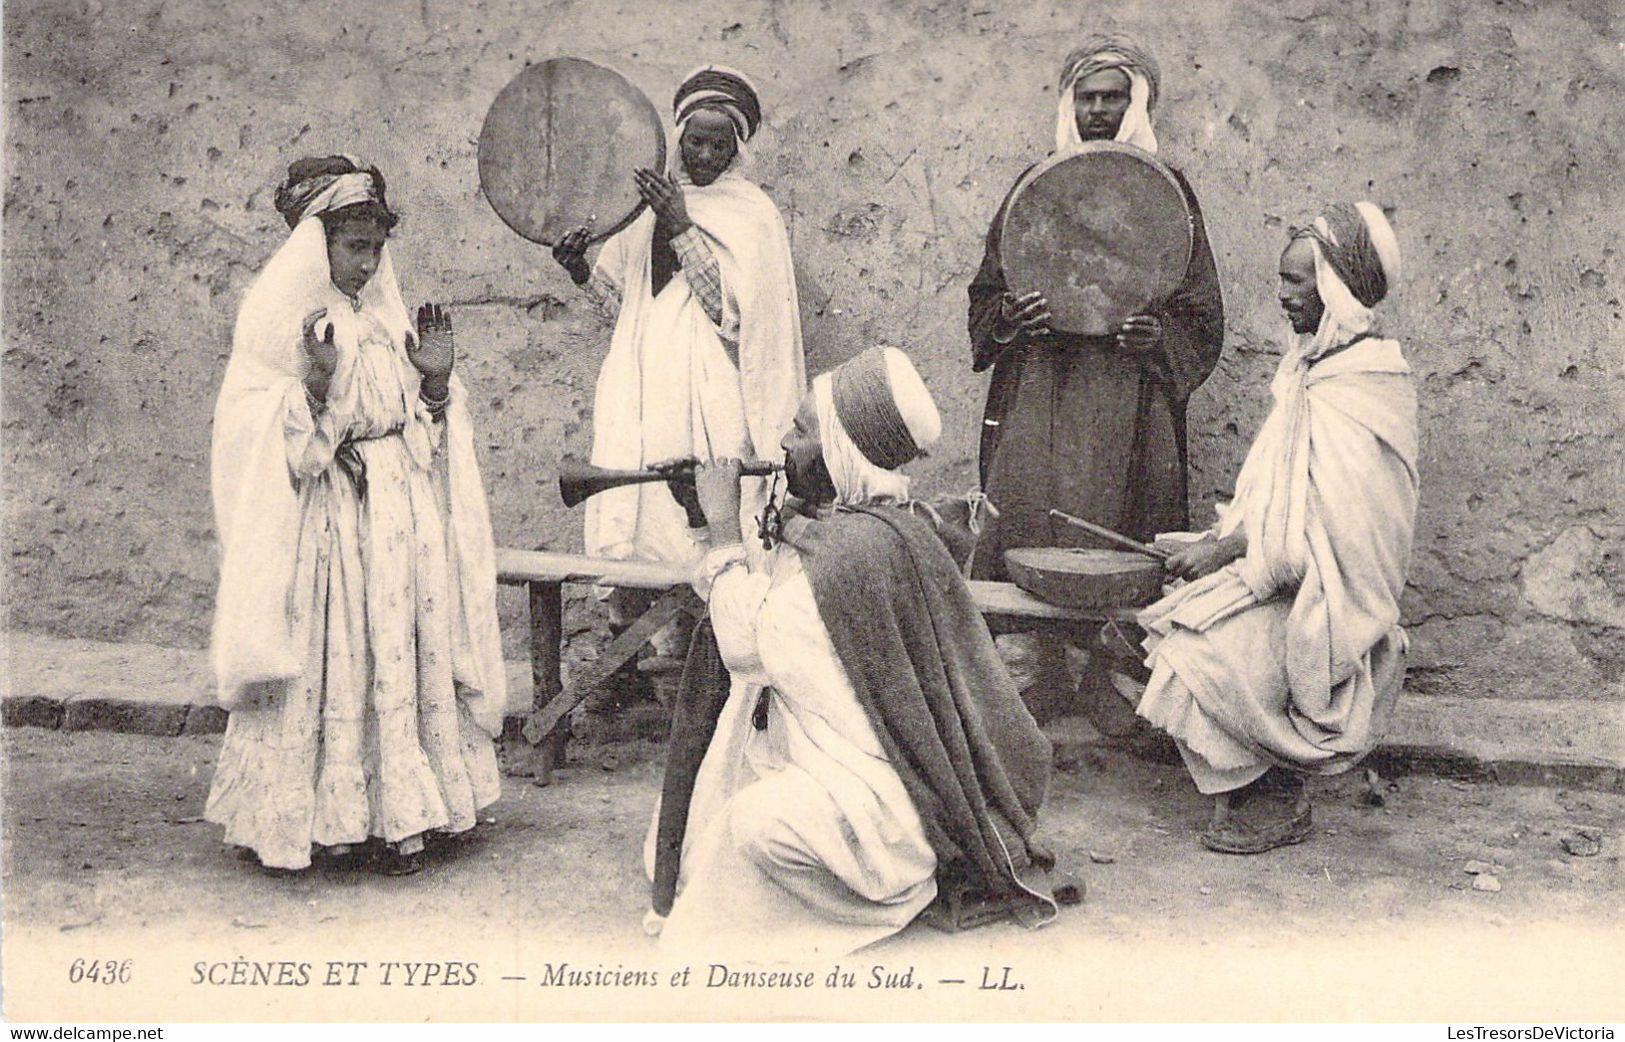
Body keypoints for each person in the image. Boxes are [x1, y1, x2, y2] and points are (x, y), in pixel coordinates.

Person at [645, 347, 1072, 956]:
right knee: (693, 824)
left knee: (749, 829)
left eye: (800, 430)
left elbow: (745, 645)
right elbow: (765, 596)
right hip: (852, 755)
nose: (783, 443)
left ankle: (879, 898)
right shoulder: (873, 526)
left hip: (885, 799)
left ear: (840, 447)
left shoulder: (848, 557)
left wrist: (718, 530)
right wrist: (707, 519)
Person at [206, 156, 506, 876]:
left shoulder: (385, 319)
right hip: (330, 522)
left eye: (376, 247)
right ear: (318, 245)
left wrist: (434, 383)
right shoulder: (282, 320)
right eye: (353, 247)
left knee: (397, 648)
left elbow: (423, 427)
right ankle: (325, 822)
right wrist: (308, 392)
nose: (368, 263)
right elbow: (249, 428)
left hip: (398, 516)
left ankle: (403, 814)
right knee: (335, 654)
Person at [1105, 201, 1416, 854]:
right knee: (1144, 627)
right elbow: (1278, 496)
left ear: (1335, 287)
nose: (1281, 296)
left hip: (1327, 603)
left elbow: (1334, 532)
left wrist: (1225, 550)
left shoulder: (1362, 386)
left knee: (1195, 655)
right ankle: (1249, 782)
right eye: (1282, 279)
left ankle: (1277, 789)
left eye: (1295, 282)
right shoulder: (1315, 369)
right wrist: (1216, 543)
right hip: (1284, 574)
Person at [966, 34, 1224, 726]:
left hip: (1127, 398)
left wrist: (1155, 337)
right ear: (1069, 104)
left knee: (1122, 524)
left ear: (1135, 103)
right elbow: (986, 292)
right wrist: (1012, 316)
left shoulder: (1167, 193)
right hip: (1043, 386)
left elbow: (1201, 315)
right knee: (1027, 516)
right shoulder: (1035, 187)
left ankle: (1113, 678)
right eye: (1087, 98)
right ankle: (1033, 671)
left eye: (1113, 97)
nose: (1099, 111)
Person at [552, 64, 805, 672]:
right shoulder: (642, 203)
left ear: (738, 148)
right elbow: (625, 305)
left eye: (721, 144)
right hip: (640, 379)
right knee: (635, 512)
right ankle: (630, 661)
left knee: (699, 511)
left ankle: (715, 659)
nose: (707, 155)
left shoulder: (752, 214)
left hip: (709, 387)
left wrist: (682, 227)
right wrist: (580, 268)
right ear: (678, 135)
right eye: (697, 140)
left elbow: (733, 314)